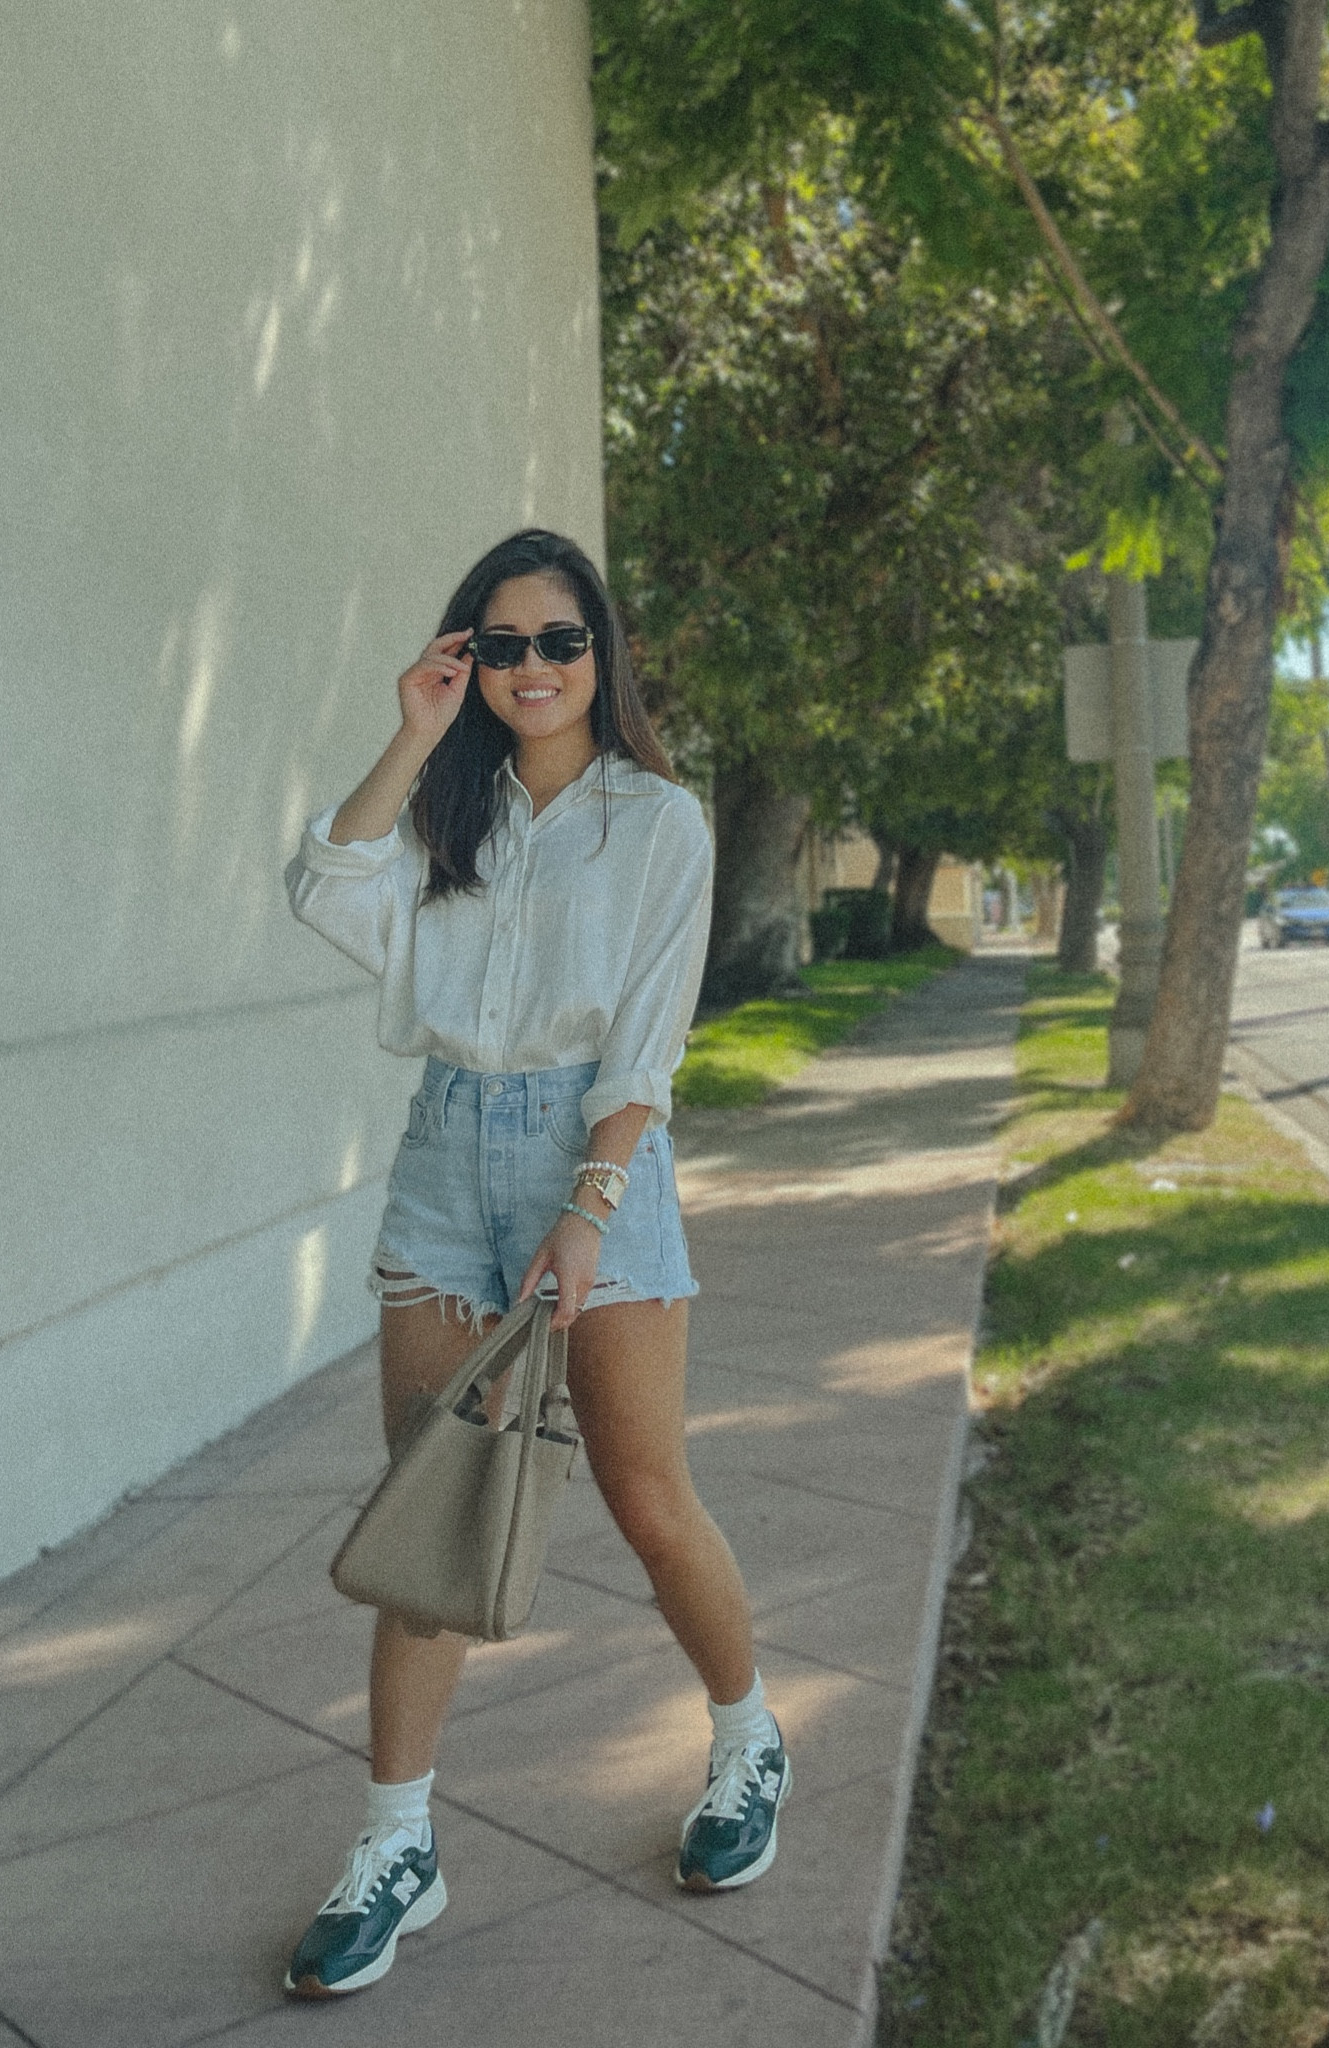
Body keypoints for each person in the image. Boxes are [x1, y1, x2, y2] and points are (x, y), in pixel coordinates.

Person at [279, 530, 788, 1998]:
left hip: (596, 1157)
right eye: (498, 646)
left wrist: (587, 1207)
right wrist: (411, 731)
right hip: (446, 1158)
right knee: (436, 1511)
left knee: (642, 1495)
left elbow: (647, 1039)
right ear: (469, 661)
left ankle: (750, 1741)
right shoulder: (451, 814)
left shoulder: (659, 823)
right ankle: (397, 1844)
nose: (531, 669)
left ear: (601, 653)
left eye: (557, 641)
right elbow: (326, 887)